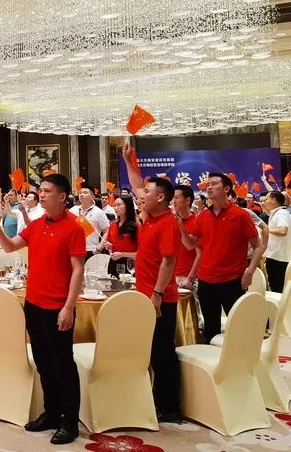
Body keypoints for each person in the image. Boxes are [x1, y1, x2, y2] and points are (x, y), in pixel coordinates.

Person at [0, 173, 86, 445]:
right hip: (34, 303)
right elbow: (10, 247)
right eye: (40, 190)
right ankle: (51, 412)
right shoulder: (37, 225)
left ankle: (70, 420)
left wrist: (69, 307)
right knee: (43, 362)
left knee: (63, 364)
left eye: (47, 191)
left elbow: (78, 270)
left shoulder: (73, 228)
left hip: (58, 306)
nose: (41, 194)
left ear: (62, 196)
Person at [171, 158, 263, 343]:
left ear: (226, 189)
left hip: (232, 279)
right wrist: (180, 225)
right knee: (210, 327)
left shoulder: (240, 215)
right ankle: (213, 358)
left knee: (238, 325)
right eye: (208, 184)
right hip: (206, 281)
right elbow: (190, 244)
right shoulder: (203, 216)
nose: (209, 187)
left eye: (214, 184)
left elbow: (258, 245)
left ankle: (242, 357)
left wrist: (250, 271)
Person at [122, 159, 182, 423]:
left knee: (163, 351)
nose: (141, 195)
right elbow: (137, 186)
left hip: (160, 299)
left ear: (160, 197)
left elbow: (169, 261)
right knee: (152, 349)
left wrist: (157, 294)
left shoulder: (168, 223)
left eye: (148, 192)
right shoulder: (149, 217)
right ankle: (158, 397)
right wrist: (128, 161)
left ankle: (170, 406)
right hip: (145, 294)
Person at [260, 191, 291, 293]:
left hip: (279, 257)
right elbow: (266, 211)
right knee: (275, 286)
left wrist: (266, 229)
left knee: (278, 288)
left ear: (274, 200)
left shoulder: (281, 213)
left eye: (266, 199)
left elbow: (283, 231)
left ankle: (282, 303)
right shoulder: (275, 213)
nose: (264, 202)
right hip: (274, 255)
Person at [101, 195, 138, 278]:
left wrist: (122, 254)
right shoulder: (113, 225)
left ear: (127, 206)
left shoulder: (136, 227)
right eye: (114, 205)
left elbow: (141, 253)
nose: (116, 208)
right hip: (114, 263)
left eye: (119, 205)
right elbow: (111, 246)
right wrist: (109, 246)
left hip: (130, 265)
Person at [171, 185, 200, 289]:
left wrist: (190, 278)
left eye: (176, 197)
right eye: (172, 198)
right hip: (170, 276)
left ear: (188, 200)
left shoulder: (197, 222)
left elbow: (200, 254)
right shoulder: (170, 221)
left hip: (187, 278)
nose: (173, 201)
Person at [69, 187, 111, 255]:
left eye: (85, 193)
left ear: (92, 197)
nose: (81, 195)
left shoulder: (98, 212)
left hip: (90, 250)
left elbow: (107, 231)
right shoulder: (72, 210)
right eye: (80, 193)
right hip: (73, 249)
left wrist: (98, 248)